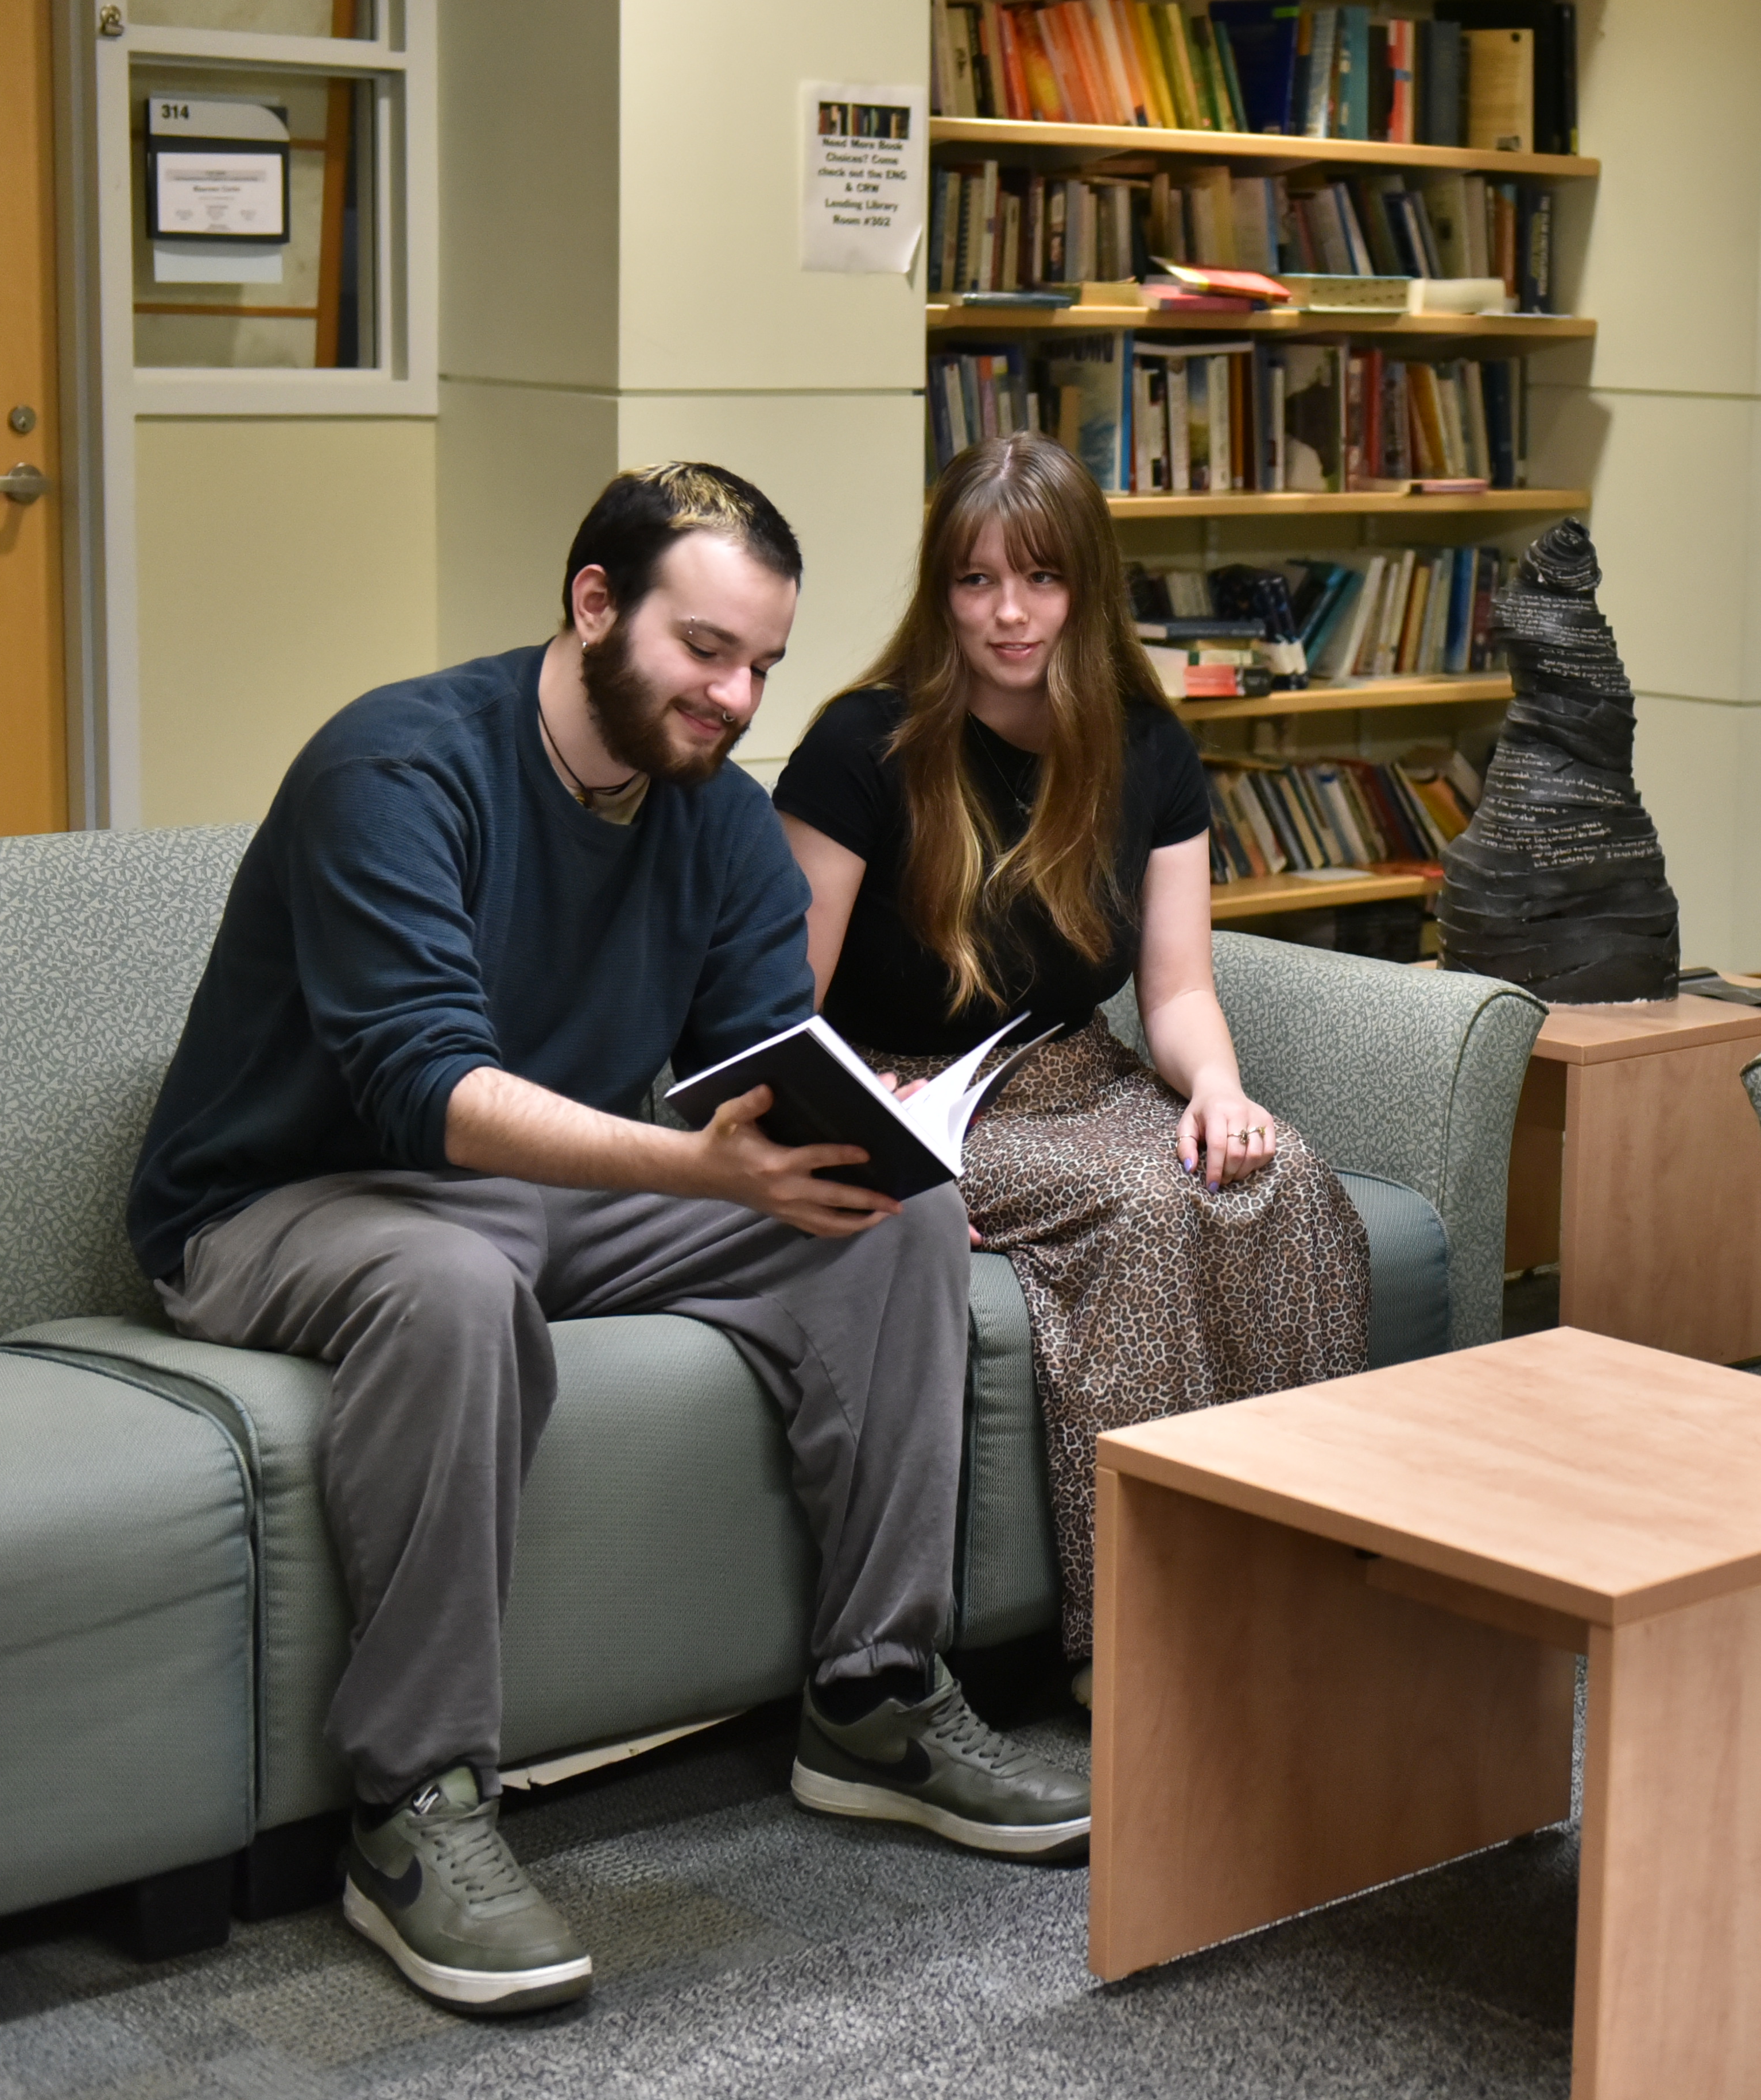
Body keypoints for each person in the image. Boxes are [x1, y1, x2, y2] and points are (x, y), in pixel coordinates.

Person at [126, 464, 1089, 2021]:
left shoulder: (707, 812)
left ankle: (874, 1698)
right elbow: (425, 1092)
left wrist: (863, 1127)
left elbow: (761, 1049)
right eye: (704, 651)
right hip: (287, 1199)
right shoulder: (397, 771)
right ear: (592, 605)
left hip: (541, 1195)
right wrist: (697, 1167)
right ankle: (415, 1808)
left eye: (764, 663)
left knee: (892, 1219)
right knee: (453, 1281)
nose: (734, 696)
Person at [773, 432, 1372, 1690]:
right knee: (1156, 1209)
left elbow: (1178, 986)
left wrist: (1216, 1085)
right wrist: (866, 1121)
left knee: (1283, 1184)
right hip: (919, 1098)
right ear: (940, 594)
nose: (1008, 613)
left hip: (1078, 1074)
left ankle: (1299, 1585)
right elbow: (782, 1000)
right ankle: (1141, 1643)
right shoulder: (861, 746)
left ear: (1084, 588)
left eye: (1038, 580)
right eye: (976, 580)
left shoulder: (1146, 750)